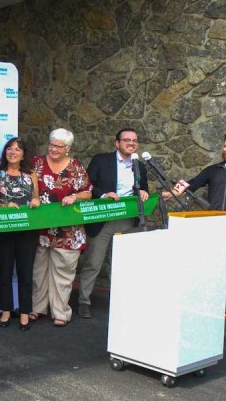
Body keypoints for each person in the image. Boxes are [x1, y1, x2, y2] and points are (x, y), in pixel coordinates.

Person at [163, 130, 226, 324]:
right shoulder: (214, 170)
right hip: (212, 229)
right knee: (209, 268)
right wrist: (170, 193)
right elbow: (192, 184)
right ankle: (209, 304)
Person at [78, 128, 149, 319]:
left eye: (134, 140)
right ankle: (84, 301)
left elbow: (143, 190)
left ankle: (121, 302)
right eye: (126, 140)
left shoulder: (139, 166)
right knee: (94, 262)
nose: (131, 143)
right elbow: (87, 184)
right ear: (117, 143)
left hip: (127, 220)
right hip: (103, 218)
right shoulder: (101, 160)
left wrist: (143, 193)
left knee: (123, 264)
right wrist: (103, 195)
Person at [30, 128, 92, 328]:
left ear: (68, 148)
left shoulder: (76, 167)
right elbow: (27, 186)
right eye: (51, 144)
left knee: (63, 274)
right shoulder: (36, 163)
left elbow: (88, 192)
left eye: (59, 146)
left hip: (68, 231)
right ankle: (37, 308)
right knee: (39, 271)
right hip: (41, 228)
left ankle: (61, 312)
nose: (54, 149)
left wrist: (74, 197)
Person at [0, 137, 40, 332]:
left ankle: (25, 312)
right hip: (3, 229)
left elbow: (36, 196)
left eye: (18, 149)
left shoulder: (31, 174)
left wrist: (36, 201)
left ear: (23, 154)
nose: (13, 152)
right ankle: (5, 310)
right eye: (9, 148)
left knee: (25, 271)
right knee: (4, 270)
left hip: (27, 230)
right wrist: (4, 206)